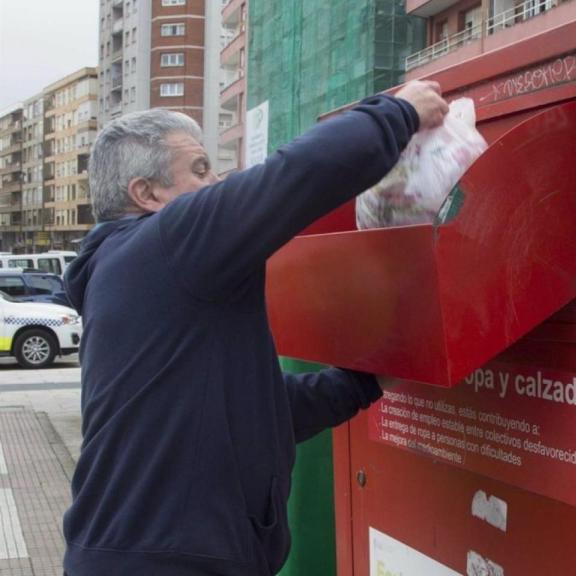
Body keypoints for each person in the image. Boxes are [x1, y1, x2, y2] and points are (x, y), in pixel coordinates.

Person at [62, 82, 448, 575]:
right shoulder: (166, 242)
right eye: (200, 169)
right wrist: (399, 112)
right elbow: (295, 176)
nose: (218, 180)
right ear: (147, 193)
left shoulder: (135, 272)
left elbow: (253, 413)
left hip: (141, 554)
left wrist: (364, 383)